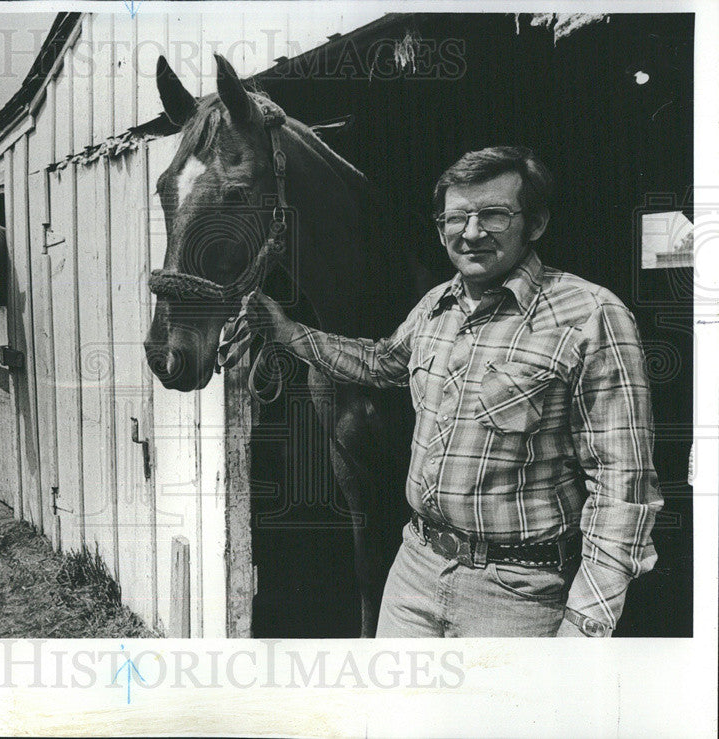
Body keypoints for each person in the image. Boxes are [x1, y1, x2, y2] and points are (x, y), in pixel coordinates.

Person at [245, 146, 663, 637]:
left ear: (537, 224)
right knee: (396, 715)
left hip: (517, 595)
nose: (470, 232)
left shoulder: (590, 316)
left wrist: (587, 620)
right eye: (456, 217)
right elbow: (381, 363)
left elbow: (624, 482)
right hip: (414, 573)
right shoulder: (435, 307)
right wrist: (288, 332)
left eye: (493, 215)